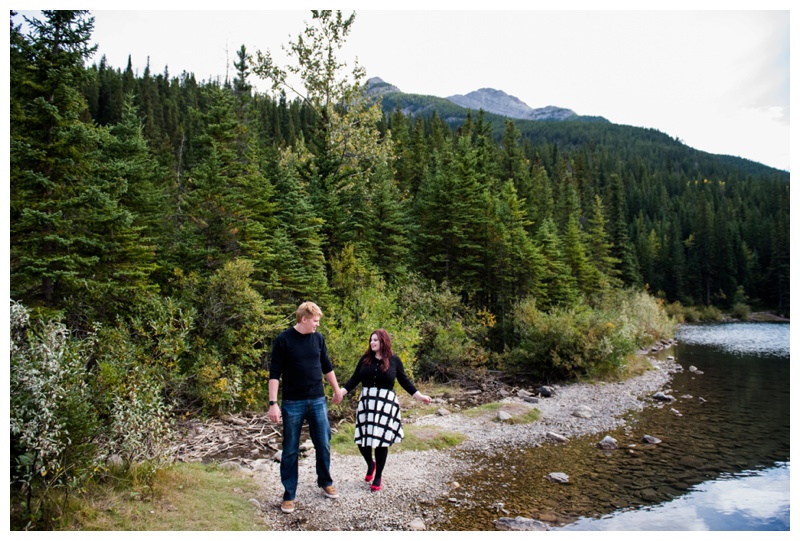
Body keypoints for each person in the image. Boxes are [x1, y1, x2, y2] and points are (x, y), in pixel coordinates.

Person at [268, 301, 343, 514]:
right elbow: (274, 374)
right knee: (290, 449)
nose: (317, 325)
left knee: (323, 443)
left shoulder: (318, 339)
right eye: (315, 321)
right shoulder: (283, 340)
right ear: (304, 319)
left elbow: (327, 367)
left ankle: (325, 481)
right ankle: (289, 494)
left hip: (318, 400)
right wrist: (273, 404)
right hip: (292, 403)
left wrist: (337, 390)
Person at [337, 329, 431, 492]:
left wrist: (419, 396)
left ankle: (378, 475)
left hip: (385, 404)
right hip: (367, 402)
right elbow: (354, 379)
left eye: (376, 340)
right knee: (362, 440)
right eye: (371, 340)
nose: (372, 342)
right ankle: (370, 464)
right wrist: (340, 392)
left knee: (381, 441)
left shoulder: (394, 360)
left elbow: (404, 381)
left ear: (383, 342)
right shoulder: (365, 359)